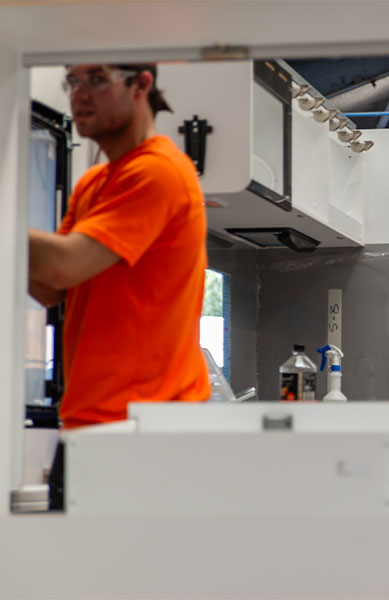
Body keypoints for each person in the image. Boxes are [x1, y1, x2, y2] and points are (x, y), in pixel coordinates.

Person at [27, 63, 211, 508]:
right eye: (72, 81)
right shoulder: (94, 182)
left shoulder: (158, 171)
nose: (78, 94)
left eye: (96, 79)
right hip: (90, 424)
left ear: (141, 85)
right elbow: (51, 288)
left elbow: (64, 267)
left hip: (145, 429)